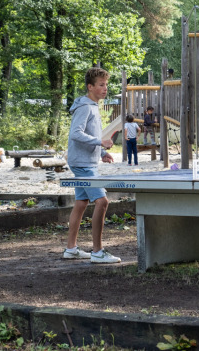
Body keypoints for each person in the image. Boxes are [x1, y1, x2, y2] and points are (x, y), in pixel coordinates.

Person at [63, 67, 121, 264]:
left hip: (84, 161)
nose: (105, 89)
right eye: (101, 85)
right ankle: (98, 251)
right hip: (82, 163)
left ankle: (71, 249)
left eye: (106, 85)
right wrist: (100, 143)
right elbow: (76, 134)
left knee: (81, 203)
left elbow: (90, 135)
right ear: (90, 87)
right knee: (103, 202)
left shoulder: (92, 106)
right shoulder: (86, 107)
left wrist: (102, 153)